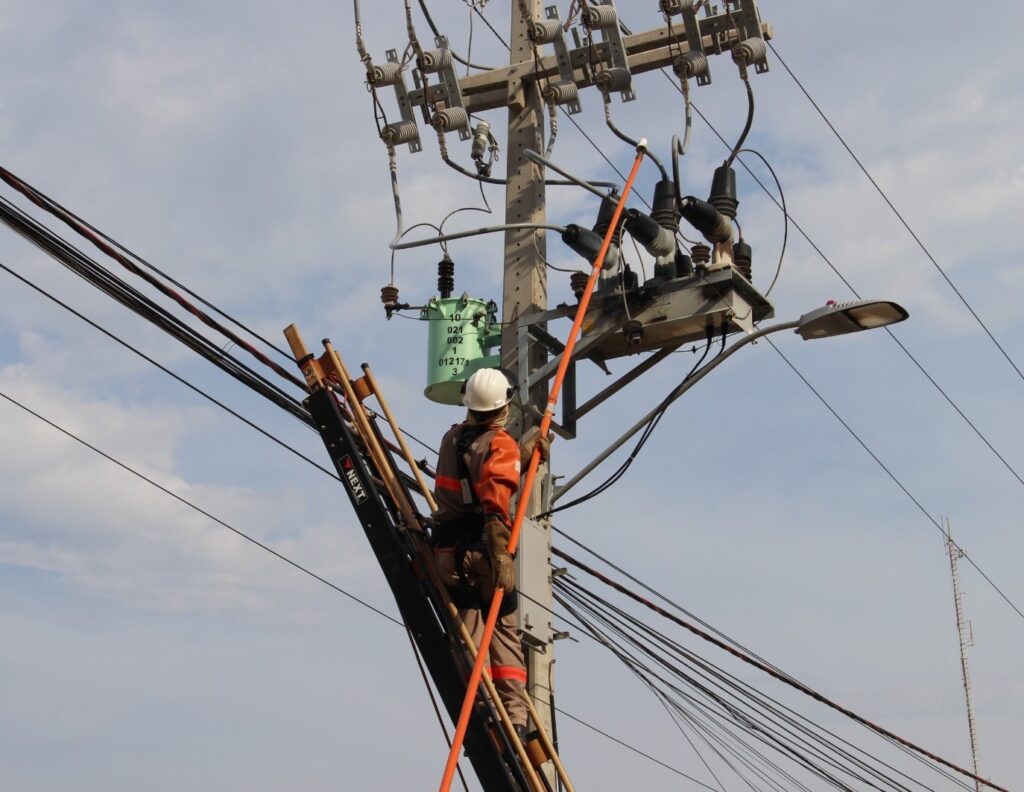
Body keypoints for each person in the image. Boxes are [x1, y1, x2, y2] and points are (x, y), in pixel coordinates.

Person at [431, 367, 549, 739]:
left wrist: (524, 459)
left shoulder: (451, 439)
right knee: (503, 633)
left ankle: (480, 707)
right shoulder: (501, 444)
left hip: (449, 554)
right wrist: (501, 557)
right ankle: (512, 715)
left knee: (468, 635)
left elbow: (475, 475)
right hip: (485, 551)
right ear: (505, 405)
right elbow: (494, 501)